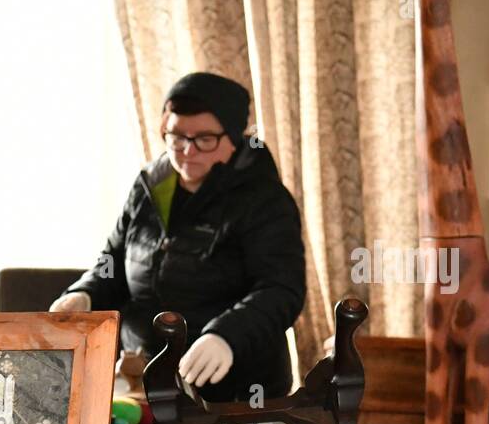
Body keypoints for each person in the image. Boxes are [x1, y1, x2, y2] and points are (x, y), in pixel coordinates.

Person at [51, 72, 305, 403]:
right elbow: (112, 262)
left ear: (233, 137)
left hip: (236, 390)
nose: (186, 151)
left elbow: (281, 289)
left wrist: (226, 336)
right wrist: (84, 294)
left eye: (204, 139)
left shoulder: (265, 200)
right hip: (141, 380)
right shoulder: (151, 186)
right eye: (176, 137)